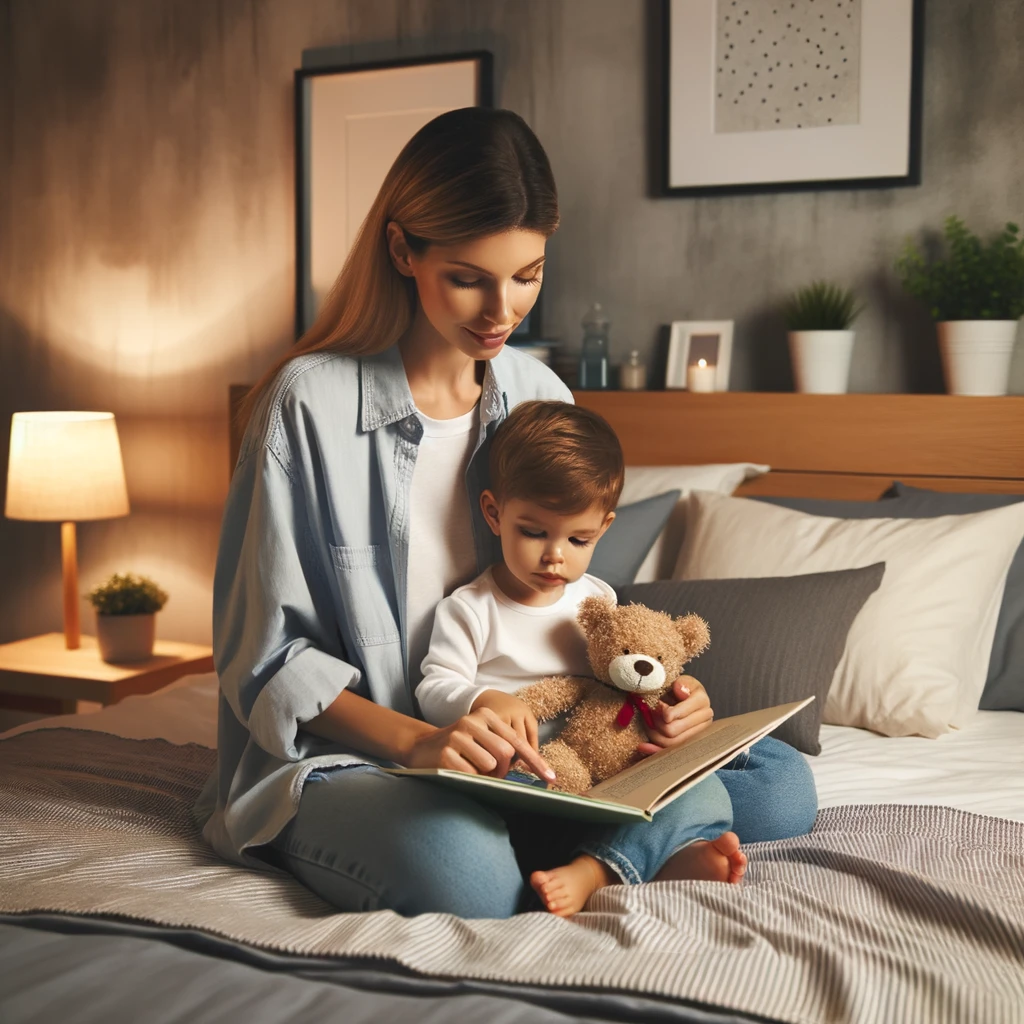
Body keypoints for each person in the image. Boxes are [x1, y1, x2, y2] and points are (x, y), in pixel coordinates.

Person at [195, 106, 817, 919]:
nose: (503, 309)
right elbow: (265, 659)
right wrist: (424, 741)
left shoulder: (536, 393)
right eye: (469, 277)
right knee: (469, 877)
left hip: (542, 745)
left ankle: (582, 829)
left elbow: (577, 610)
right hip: (366, 756)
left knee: (780, 785)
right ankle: (612, 845)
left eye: (527, 274)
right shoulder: (306, 403)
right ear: (401, 250)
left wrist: (668, 702)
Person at [416, 399, 747, 916]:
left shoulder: (598, 600)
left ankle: (618, 862)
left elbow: (630, 676)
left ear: (604, 527)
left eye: (578, 538)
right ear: (493, 513)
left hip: (608, 762)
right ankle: (619, 863)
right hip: (527, 772)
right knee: (521, 815)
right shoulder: (471, 608)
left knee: (720, 786)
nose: (555, 555)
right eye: (533, 532)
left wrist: (675, 708)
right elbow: (433, 687)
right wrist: (483, 698)